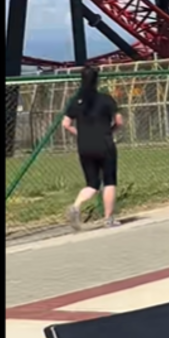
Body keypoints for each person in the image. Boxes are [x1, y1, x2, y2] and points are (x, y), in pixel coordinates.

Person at [61, 66, 124, 230]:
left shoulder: (76, 101)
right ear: (97, 80)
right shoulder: (106, 99)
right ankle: (109, 219)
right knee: (109, 181)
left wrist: (80, 134)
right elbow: (119, 122)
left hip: (85, 146)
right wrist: (110, 132)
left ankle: (76, 206)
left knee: (92, 184)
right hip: (104, 143)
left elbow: (66, 124)